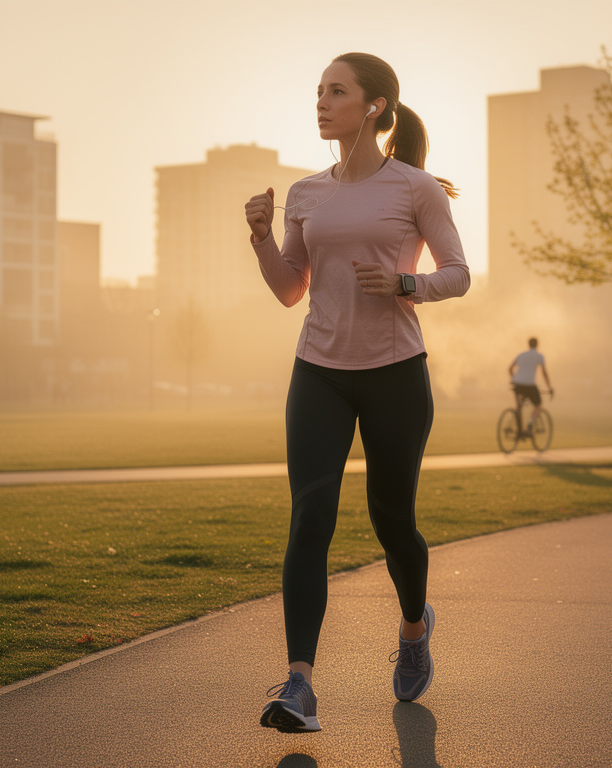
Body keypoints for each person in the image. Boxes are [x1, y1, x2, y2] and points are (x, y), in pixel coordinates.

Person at [244, 52, 469, 733]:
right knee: (310, 516)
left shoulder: (414, 188)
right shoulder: (306, 193)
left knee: (391, 521)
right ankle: (299, 686)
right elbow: (290, 290)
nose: (322, 102)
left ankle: (412, 627)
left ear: (373, 106)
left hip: (396, 372)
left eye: (336, 92)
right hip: (319, 370)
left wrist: (408, 285)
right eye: (318, 91)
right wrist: (259, 238)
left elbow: (457, 273)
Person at [508, 337, 553, 435]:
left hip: (517, 384)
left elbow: (510, 369)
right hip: (529, 385)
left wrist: (515, 379)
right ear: (537, 345)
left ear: (528, 344)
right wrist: (549, 387)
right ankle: (530, 425)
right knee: (538, 405)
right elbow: (544, 373)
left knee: (519, 405)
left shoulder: (521, 355)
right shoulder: (539, 356)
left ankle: (515, 427)